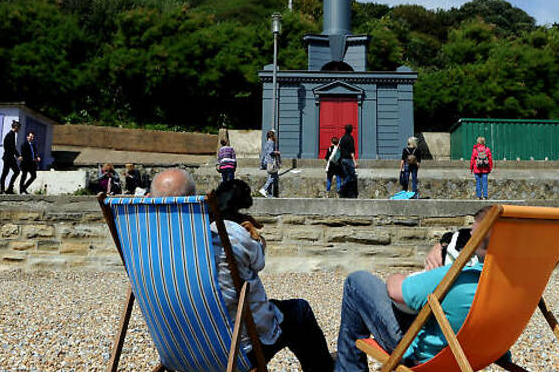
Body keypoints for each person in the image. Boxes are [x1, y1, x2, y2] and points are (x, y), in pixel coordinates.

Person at [150, 172, 334, 371]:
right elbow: (258, 262)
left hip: (180, 351)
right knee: (299, 311)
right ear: (194, 198)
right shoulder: (227, 233)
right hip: (234, 351)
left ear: (150, 199)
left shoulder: (146, 246)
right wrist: (255, 238)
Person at [335, 207, 495, 371]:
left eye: (472, 232)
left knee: (357, 282)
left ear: (478, 236)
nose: (469, 235)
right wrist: (442, 244)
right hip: (474, 354)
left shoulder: (459, 277)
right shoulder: (510, 285)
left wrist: (397, 276)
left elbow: (396, 291)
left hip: (425, 352)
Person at [0, 120, 21, 194]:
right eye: (19, 128)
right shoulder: (10, 135)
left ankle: (9, 188)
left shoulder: (13, 134)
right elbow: (12, 147)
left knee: (16, 171)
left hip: (11, 157)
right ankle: (2, 190)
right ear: (16, 127)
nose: (19, 130)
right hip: (8, 157)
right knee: (5, 173)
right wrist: (18, 156)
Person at [338, 124, 358, 198]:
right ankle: (342, 187)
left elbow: (339, 148)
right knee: (352, 175)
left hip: (342, 159)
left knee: (346, 175)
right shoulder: (350, 138)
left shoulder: (342, 138)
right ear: (351, 130)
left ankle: (344, 193)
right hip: (348, 159)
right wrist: (354, 162)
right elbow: (352, 151)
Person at [259, 130, 280, 198]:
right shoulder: (271, 142)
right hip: (271, 162)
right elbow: (271, 152)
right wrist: (277, 152)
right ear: (272, 136)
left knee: (270, 177)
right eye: (274, 135)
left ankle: (269, 195)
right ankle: (264, 189)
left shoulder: (266, 143)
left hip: (266, 161)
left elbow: (263, 154)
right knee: (274, 177)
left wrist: (261, 164)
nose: (275, 136)